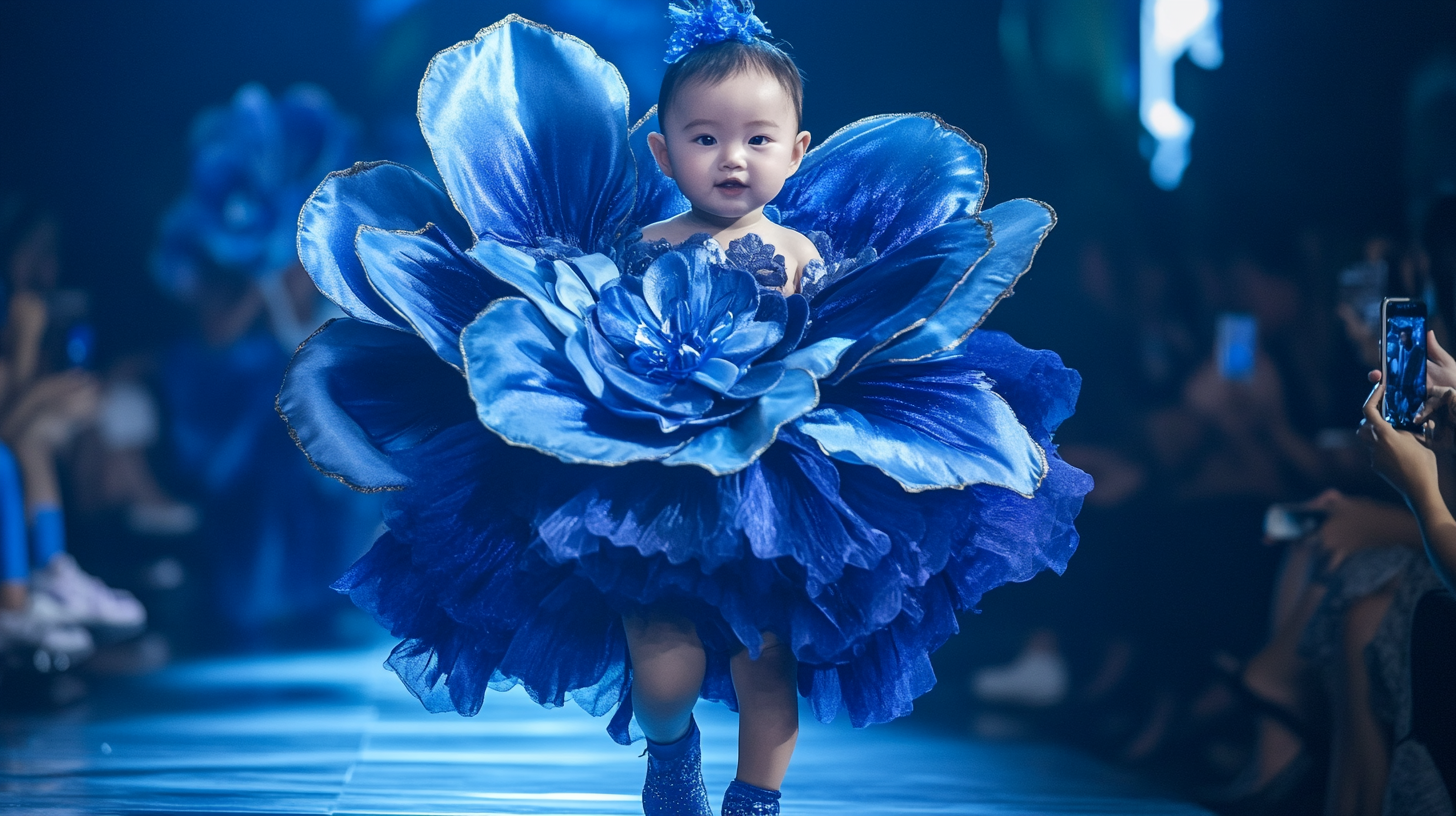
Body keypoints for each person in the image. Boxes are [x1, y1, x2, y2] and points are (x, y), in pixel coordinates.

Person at [277, 3, 1091, 815]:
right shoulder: (643, 246)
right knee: (660, 666)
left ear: (798, 152)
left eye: (758, 139)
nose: (732, 159)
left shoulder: (804, 258)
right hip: (643, 481)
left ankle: (754, 801)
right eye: (705, 138)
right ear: (664, 152)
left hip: (781, 493)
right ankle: (670, 754)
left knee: (767, 660)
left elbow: (856, 342)